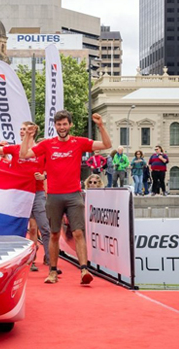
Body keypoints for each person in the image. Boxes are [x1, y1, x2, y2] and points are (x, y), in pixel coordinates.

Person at [20, 110, 111, 285]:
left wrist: (101, 125)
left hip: (74, 194)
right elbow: (24, 154)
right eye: (59, 124)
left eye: (64, 124)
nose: (62, 127)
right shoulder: (47, 144)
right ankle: (53, 272)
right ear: (55, 126)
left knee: (78, 232)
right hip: (53, 196)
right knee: (54, 234)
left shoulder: (78, 142)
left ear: (70, 125)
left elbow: (106, 144)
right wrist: (28, 136)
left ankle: (84, 270)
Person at [0, 122, 50, 270]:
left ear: (33, 131)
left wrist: (44, 176)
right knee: (17, 227)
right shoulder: (15, 148)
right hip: (18, 194)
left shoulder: (41, 150)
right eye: (21, 129)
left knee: (42, 228)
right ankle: (24, 260)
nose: (22, 131)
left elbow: (50, 169)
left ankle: (50, 260)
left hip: (37, 192)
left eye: (25, 129)